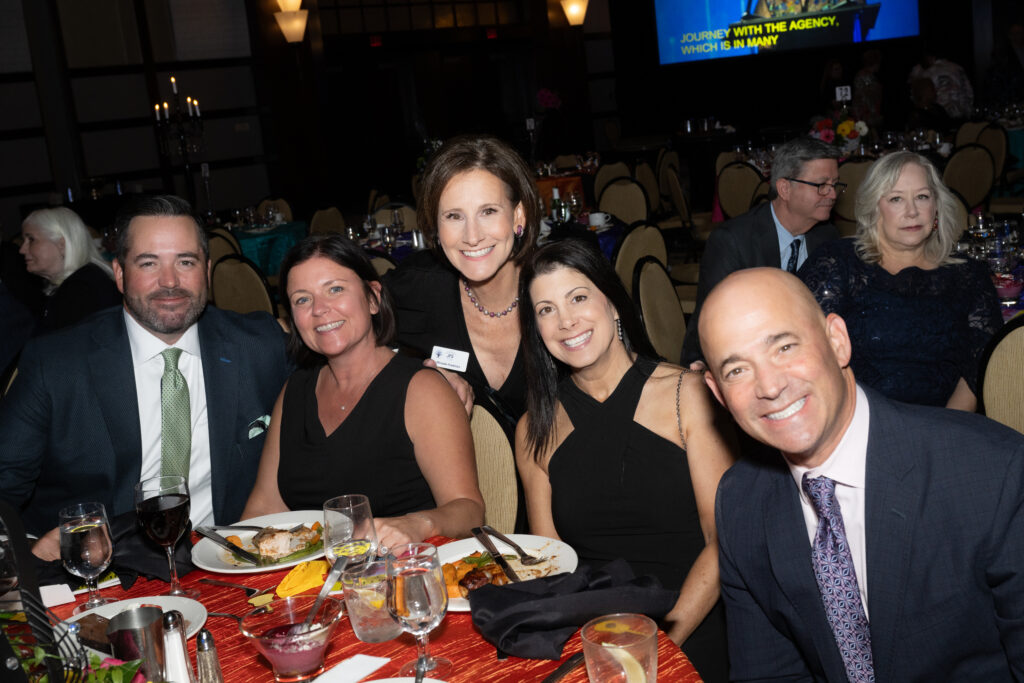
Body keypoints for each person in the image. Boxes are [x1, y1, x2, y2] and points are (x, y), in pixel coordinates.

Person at [699, 267, 1024, 682]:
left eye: (784, 347)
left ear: (837, 341)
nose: (770, 386)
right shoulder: (741, 502)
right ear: (718, 393)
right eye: (736, 371)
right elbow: (768, 674)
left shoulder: (992, 473)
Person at [0, 195, 290, 559]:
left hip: (222, 561)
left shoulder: (259, 346)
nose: (169, 281)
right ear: (120, 274)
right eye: (149, 263)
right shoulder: (57, 363)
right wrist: (25, 553)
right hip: (100, 572)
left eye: (185, 262)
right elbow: (5, 485)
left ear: (207, 270)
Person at [515, 240, 734, 681]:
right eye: (546, 310)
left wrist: (657, 645)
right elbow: (553, 568)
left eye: (578, 298)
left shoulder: (687, 396)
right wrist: (596, 654)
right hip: (592, 639)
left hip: (692, 623)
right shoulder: (534, 429)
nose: (566, 321)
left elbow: (723, 542)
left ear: (613, 304)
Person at [240, 235, 484, 548]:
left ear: (372, 298)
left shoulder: (422, 390)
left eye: (335, 289)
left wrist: (417, 524)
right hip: (312, 574)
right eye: (302, 299)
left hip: (407, 568)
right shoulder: (294, 391)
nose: (319, 309)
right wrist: (230, 555)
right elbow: (264, 507)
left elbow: (469, 511)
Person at [800, 152, 1000, 411]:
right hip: (858, 418)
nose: (912, 212)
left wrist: (947, 427)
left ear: (937, 205)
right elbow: (807, 352)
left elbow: (978, 364)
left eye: (922, 197)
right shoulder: (838, 264)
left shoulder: (968, 274)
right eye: (896, 199)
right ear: (874, 208)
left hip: (945, 420)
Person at [384, 134, 541, 435]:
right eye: (454, 216)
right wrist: (419, 376)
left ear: (518, 215)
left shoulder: (559, 289)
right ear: (436, 226)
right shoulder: (418, 288)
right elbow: (342, 331)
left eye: (488, 211)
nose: (472, 236)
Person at [681, 137, 841, 364]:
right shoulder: (733, 242)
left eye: (834, 185)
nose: (832, 194)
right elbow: (714, 325)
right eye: (822, 185)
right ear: (785, 189)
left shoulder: (826, 236)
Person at [19, 207, 121, 334]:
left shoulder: (82, 291)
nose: (22, 250)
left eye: (31, 240)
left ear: (62, 244)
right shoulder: (78, 285)